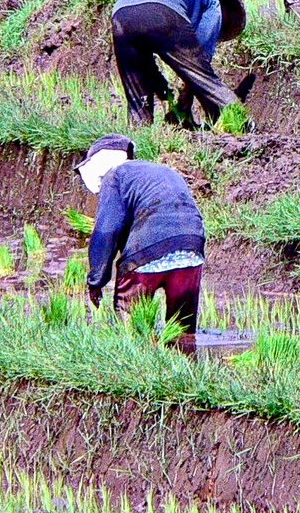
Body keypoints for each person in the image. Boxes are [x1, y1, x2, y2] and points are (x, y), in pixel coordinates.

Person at [78, 133, 205, 351]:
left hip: (148, 250)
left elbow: (107, 230)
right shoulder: (162, 171)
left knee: (132, 326)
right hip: (192, 246)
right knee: (182, 330)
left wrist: (96, 280)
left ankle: (135, 367)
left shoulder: (115, 176)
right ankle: (186, 373)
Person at [110, 0, 248, 127]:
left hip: (120, 14)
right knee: (204, 78)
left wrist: (160, 85)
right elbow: (200, 60)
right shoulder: (213, 1)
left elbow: (143, 62)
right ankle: (243, 123)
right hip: (163, 8)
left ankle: (139, 138)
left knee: (137, 94)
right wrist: (185, 99)